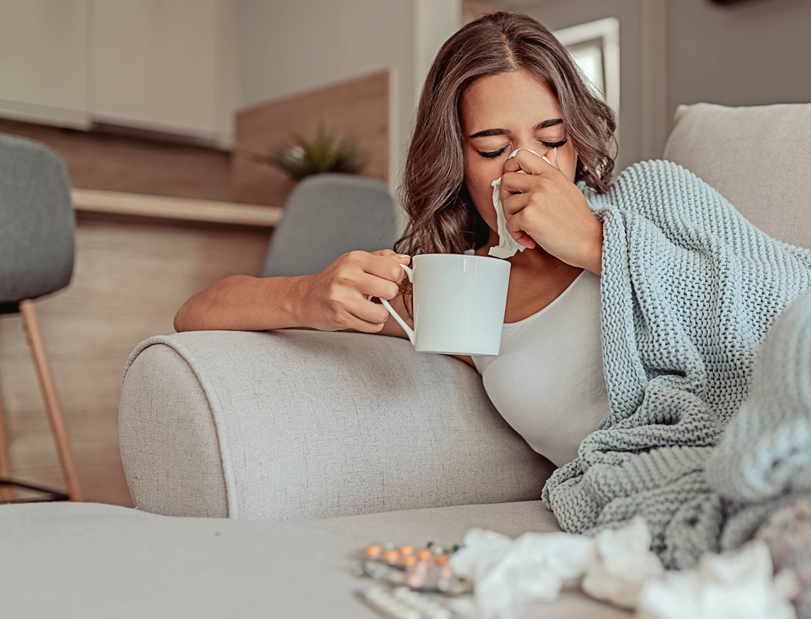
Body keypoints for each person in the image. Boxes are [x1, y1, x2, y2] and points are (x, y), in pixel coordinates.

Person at [174, 11, 618, 466]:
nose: (527, 168)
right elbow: (196, 312)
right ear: (456, 160)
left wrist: (594, 244)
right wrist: (308, 294)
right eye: (493, 149)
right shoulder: (459, 287)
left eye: (552, 139)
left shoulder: (641, 214)